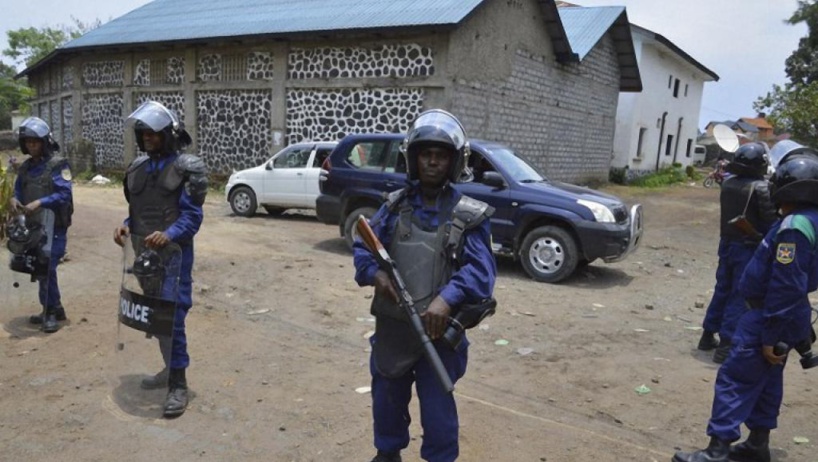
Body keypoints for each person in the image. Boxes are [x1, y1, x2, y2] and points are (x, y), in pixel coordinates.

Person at [353, 109, 497, 462]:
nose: (433, 162)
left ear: (454, 161)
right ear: (413, 158)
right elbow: (363, 246)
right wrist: (377, 274)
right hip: (394, 330)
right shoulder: (394, 207)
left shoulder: (468, 214)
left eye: (441, 155)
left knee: (438, 414)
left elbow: (481, 273)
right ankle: (387, 453)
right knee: (386, 399)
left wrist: (446, 300)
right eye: (426, 154)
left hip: (439, 336)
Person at [673, 151, 818, 462]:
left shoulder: (794, 226)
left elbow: (786, 283)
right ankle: (757, 445)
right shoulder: (808, 221)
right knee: (767, 380)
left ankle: (717, 450)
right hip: (789, 313)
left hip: (769, 313)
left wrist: (769, 335)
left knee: (735, 378)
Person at [113, 101, 208, 418]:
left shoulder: (186, 166)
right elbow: (136, 213)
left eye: (153, 132)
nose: (147, 137)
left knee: (173, 321)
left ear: (168, 134)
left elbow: (192, 217)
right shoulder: (137, 168)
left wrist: (170, 233)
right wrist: (125, 228)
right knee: (155, 320)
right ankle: (168, 370)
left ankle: (178, 384)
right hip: (144, 260)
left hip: (174, 261)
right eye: (143, 133)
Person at [698, 143, 776, 363]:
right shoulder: (761, 188)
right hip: (748, 246)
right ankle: (726, 344)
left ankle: (707, 334)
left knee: (722, 288)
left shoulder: (728, 183)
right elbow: (770, 222)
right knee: (739, 295)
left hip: (727, 243)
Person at [9, 116, 73, 333]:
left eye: (35, 142)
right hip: (35, 227)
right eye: (28, 142)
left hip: (55, 226)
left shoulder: (58, 165)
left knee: (46, 267)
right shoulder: (26, 168)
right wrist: (14, 199)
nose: (31, 146)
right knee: (39, 267)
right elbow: (18, 189)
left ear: (45, 142)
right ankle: (56, 307)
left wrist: (41, 202)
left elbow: (64, 194)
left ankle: (50, 312)